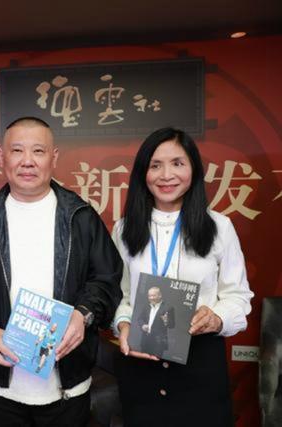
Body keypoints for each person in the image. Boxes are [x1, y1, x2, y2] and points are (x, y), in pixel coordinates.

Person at [0, 116, 122, 426]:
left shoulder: (80, 217)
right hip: (3, 385)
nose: (27, 161)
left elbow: (106, 278)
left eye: (38, 151)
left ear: (53, 158)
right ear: (2, 157)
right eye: (17, 151)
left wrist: (83, 314)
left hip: (67, 383)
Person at [112, 127, 254, 427]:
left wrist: (216, 317)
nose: (166, 175)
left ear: (193, 170)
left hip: (200, 362)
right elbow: (121, 296)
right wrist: (123, 324)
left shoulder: (219, 227)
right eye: (155, 165)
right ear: (143, 173)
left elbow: (238, 296)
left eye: (178, 163)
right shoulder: (124, 229)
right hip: (141, 363)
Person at [137, 287, 174, 358]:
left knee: (155, 366)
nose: (151, 298)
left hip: (158, 343)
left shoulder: (168, 308)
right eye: (149, 296)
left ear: (160, 295)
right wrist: (143, 325)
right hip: (146, 341)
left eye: (153, 295)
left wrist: (166, 321)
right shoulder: (146, 306)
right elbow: (140, 319)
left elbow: (172, 325)